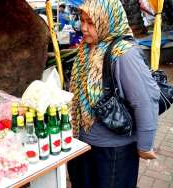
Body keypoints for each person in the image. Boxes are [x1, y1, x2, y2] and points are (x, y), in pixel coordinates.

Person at [67, 0, 160, 187]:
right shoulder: (86, 50)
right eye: (82, 20)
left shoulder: (124, 54)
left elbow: (144, 101)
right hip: (82, 145)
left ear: (108, 20)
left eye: (91, 22)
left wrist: (144, 145)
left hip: (113, 152)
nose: (83, 28)